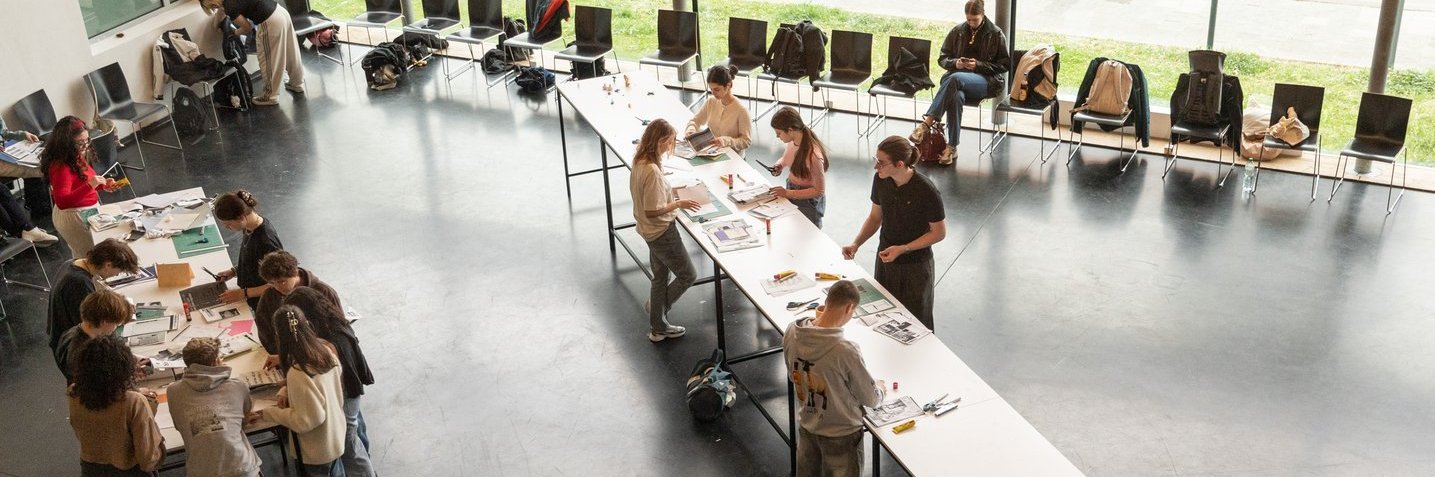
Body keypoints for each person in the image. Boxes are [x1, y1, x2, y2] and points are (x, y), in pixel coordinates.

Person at [842, 136, 947, 330]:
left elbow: (939, 232)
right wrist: (856, 243)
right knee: (883, 317)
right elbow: (875, 217)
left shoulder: (926, 190)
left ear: (900, 164)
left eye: (881, 163)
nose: (876, 167)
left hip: (915, 267)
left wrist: (904, 248)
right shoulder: (880, 180)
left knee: (916, 322)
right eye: (876, 160)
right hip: (886, 259)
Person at [784, 280, 884, 477]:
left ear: (827, 302)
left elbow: (792, 374)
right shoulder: (845, 350)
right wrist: (879, 389)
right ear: (849, 308)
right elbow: (870, 399)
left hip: (808, 426)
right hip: (842, 435)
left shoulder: (791, 331)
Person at [283, 287, 376, 476]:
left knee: (349, 446)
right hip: (344, 390)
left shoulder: (334, 339)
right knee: (349, 441)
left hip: (347, 394)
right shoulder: (329, 323)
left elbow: (323, 368)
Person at [910, 0, 1010, 165]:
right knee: (955, 97)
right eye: (968, 19)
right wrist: (956, 63)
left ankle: (926, 123)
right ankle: (952, 147)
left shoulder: (996, 33)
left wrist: (977, 65)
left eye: (974, 20)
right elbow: (942, 59)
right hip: (957, 80)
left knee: (954, 79)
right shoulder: (958, 31)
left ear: (983, 15)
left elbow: (1004, 65)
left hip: (986, 81)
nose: (971, 23)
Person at [250, 305, 347, 477]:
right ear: (307, 325)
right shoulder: (325, 352)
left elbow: (306, 421)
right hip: (335, 437)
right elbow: (320, 387)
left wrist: (270, 413)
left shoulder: (298, 373)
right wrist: (287, 391)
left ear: (279, 336)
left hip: (316, 452)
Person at [629, 119, 700, 343]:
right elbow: (652, 210)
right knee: (688, 274)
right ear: (660, 141)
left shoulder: (640, 160)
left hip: (647, 231)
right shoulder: (651, 170)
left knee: (660, 277)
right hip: (661, 231)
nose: (671, 146)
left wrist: (669, 190)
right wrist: (678, 204)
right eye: (670, 142)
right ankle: (657, 316)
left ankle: (657, 322)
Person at [68, 335, 165, 477]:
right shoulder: (134, 402)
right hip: (129, 471)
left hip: (91, 468)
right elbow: (147, 459)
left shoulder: (74, 392)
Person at [168, 337, 263, 477]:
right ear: (215, 361)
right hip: (241, 470)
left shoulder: (173, 391)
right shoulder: (238, 386)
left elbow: (179, 426)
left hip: (200, 472)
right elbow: (244, 420)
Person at [40, 116, 121, 258]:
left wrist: (101, 185)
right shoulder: (61, 166)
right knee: (92, 257)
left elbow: (82, 182)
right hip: (74, 215)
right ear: (66, 143)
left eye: (87, 141)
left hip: (84, 210)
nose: (85, 146)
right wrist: (91, 185)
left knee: (93, 255)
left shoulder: (75, 155)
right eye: (80, 143)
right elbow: (62, 201)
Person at [202, 0, 305, 106]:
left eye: (211, 5)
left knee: (268, 61)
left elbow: (247, 27)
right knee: (291, 51)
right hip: (280, 12)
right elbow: (221, 13)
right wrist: (216, 24)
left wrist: (236, 33)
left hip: (269, 21)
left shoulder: (229, 6)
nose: (214, 7)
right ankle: (297, 84)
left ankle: (269, 96)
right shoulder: (227, 4)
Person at [48, 238, 141, 352]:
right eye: (119, 271)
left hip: (65, 337)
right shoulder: (79, 283)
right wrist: (121, 314)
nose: (116, 274)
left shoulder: (73, 263)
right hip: (73, 350)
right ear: (108, 265)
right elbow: (95, 324)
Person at [255, 250, 341, 359]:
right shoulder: (270, 294)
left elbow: (339, 332)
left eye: (282, 282)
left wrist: (306, 356)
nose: (278, 287)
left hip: (322, 358)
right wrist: (282, 356)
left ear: (295, 272)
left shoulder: (324, 292)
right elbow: (264, 329)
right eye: (272, 283)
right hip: (287, 359)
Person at [213, 190, 283, 311]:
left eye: (228, 224)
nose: (226, 227)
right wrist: (234, 271)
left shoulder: (267, 242)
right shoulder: (249, 226)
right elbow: (254, 259)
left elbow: (278, 284)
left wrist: (243, 293)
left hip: (263, 304)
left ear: (241, 217)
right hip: (250, 296)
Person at [766, 106, 830, 228]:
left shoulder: (814, 156)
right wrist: (779, 165)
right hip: (792, 191)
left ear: (790, 130)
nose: (777, 137)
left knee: (808, 234)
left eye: (779, 133)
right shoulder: (792, 142)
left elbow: (819, 190)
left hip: (807, 202)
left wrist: (787, 193)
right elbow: (786, 158)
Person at [0, 118, 60, 246]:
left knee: (37, 167)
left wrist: (22, 135)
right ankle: (24, 230)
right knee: (3, 190)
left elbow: (4, 133)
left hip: (4, 153)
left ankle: (24, 230)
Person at [53, 289, 134, 384]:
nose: (115, 328)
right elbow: (100, 386)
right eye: (116, 323)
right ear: (105, 322)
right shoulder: (85, 354)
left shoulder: (72, 332)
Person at [683, 64, 753, 153]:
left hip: (732, 155)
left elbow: (746, 141)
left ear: (728, 86)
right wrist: (691, 129)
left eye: (717, 89)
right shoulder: (711, 102)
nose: (713, 93)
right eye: (711, 90)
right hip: (711, 151)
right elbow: (695, 121)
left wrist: (726, 141)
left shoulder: (742, 110)